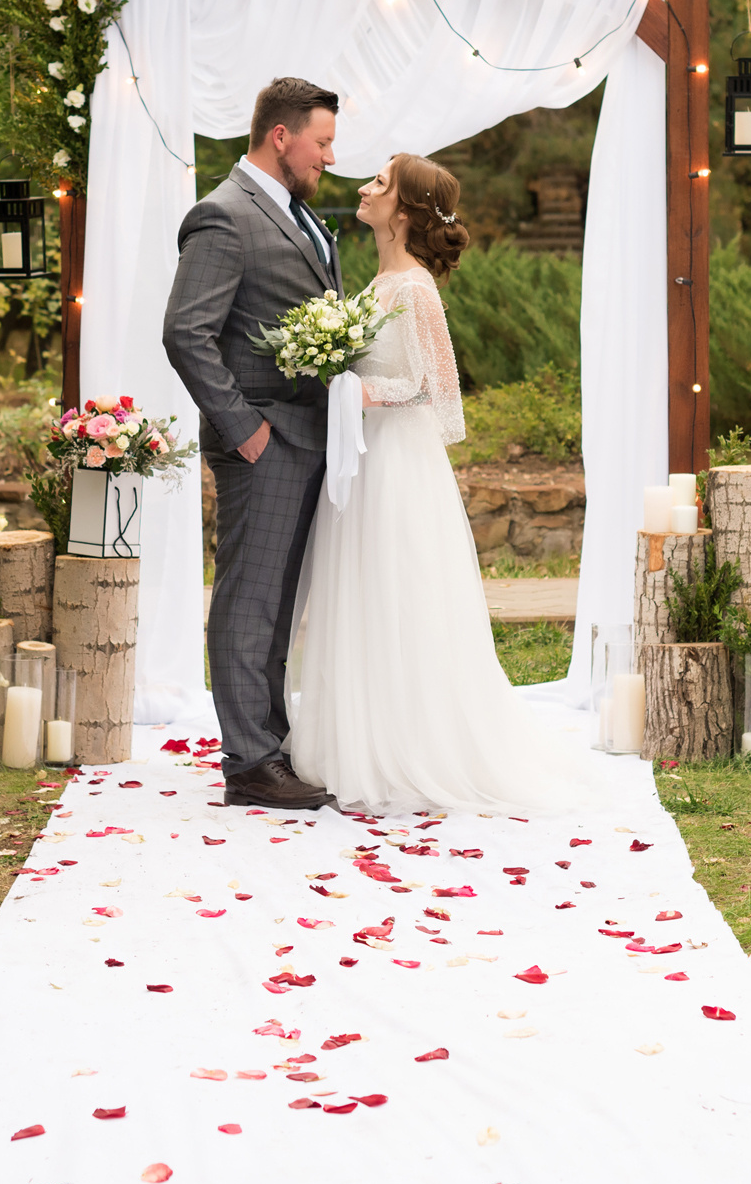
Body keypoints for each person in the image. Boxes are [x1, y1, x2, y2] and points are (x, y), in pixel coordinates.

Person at [285, 153, 605, 815]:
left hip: (398, 464)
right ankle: (359, 735)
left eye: (379, 183)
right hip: (366, 460)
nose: (365, 190)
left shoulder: (415, 289)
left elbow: (435, 388)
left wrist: (355, 390)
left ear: (402, 211)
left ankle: (411, 744)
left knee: (401, 591)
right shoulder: (378, 282)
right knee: (363, 591)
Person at [161, 77, 347, 810]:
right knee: (248, 600)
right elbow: (186, 332)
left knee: (277, 602)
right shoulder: (224, 216)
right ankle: (248, 763)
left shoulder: (298, 214)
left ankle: (270, 741)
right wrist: (245, 430)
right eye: (323, 142)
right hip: (263, 443)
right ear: (282, 136)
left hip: (308, 438)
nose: (329, 157)